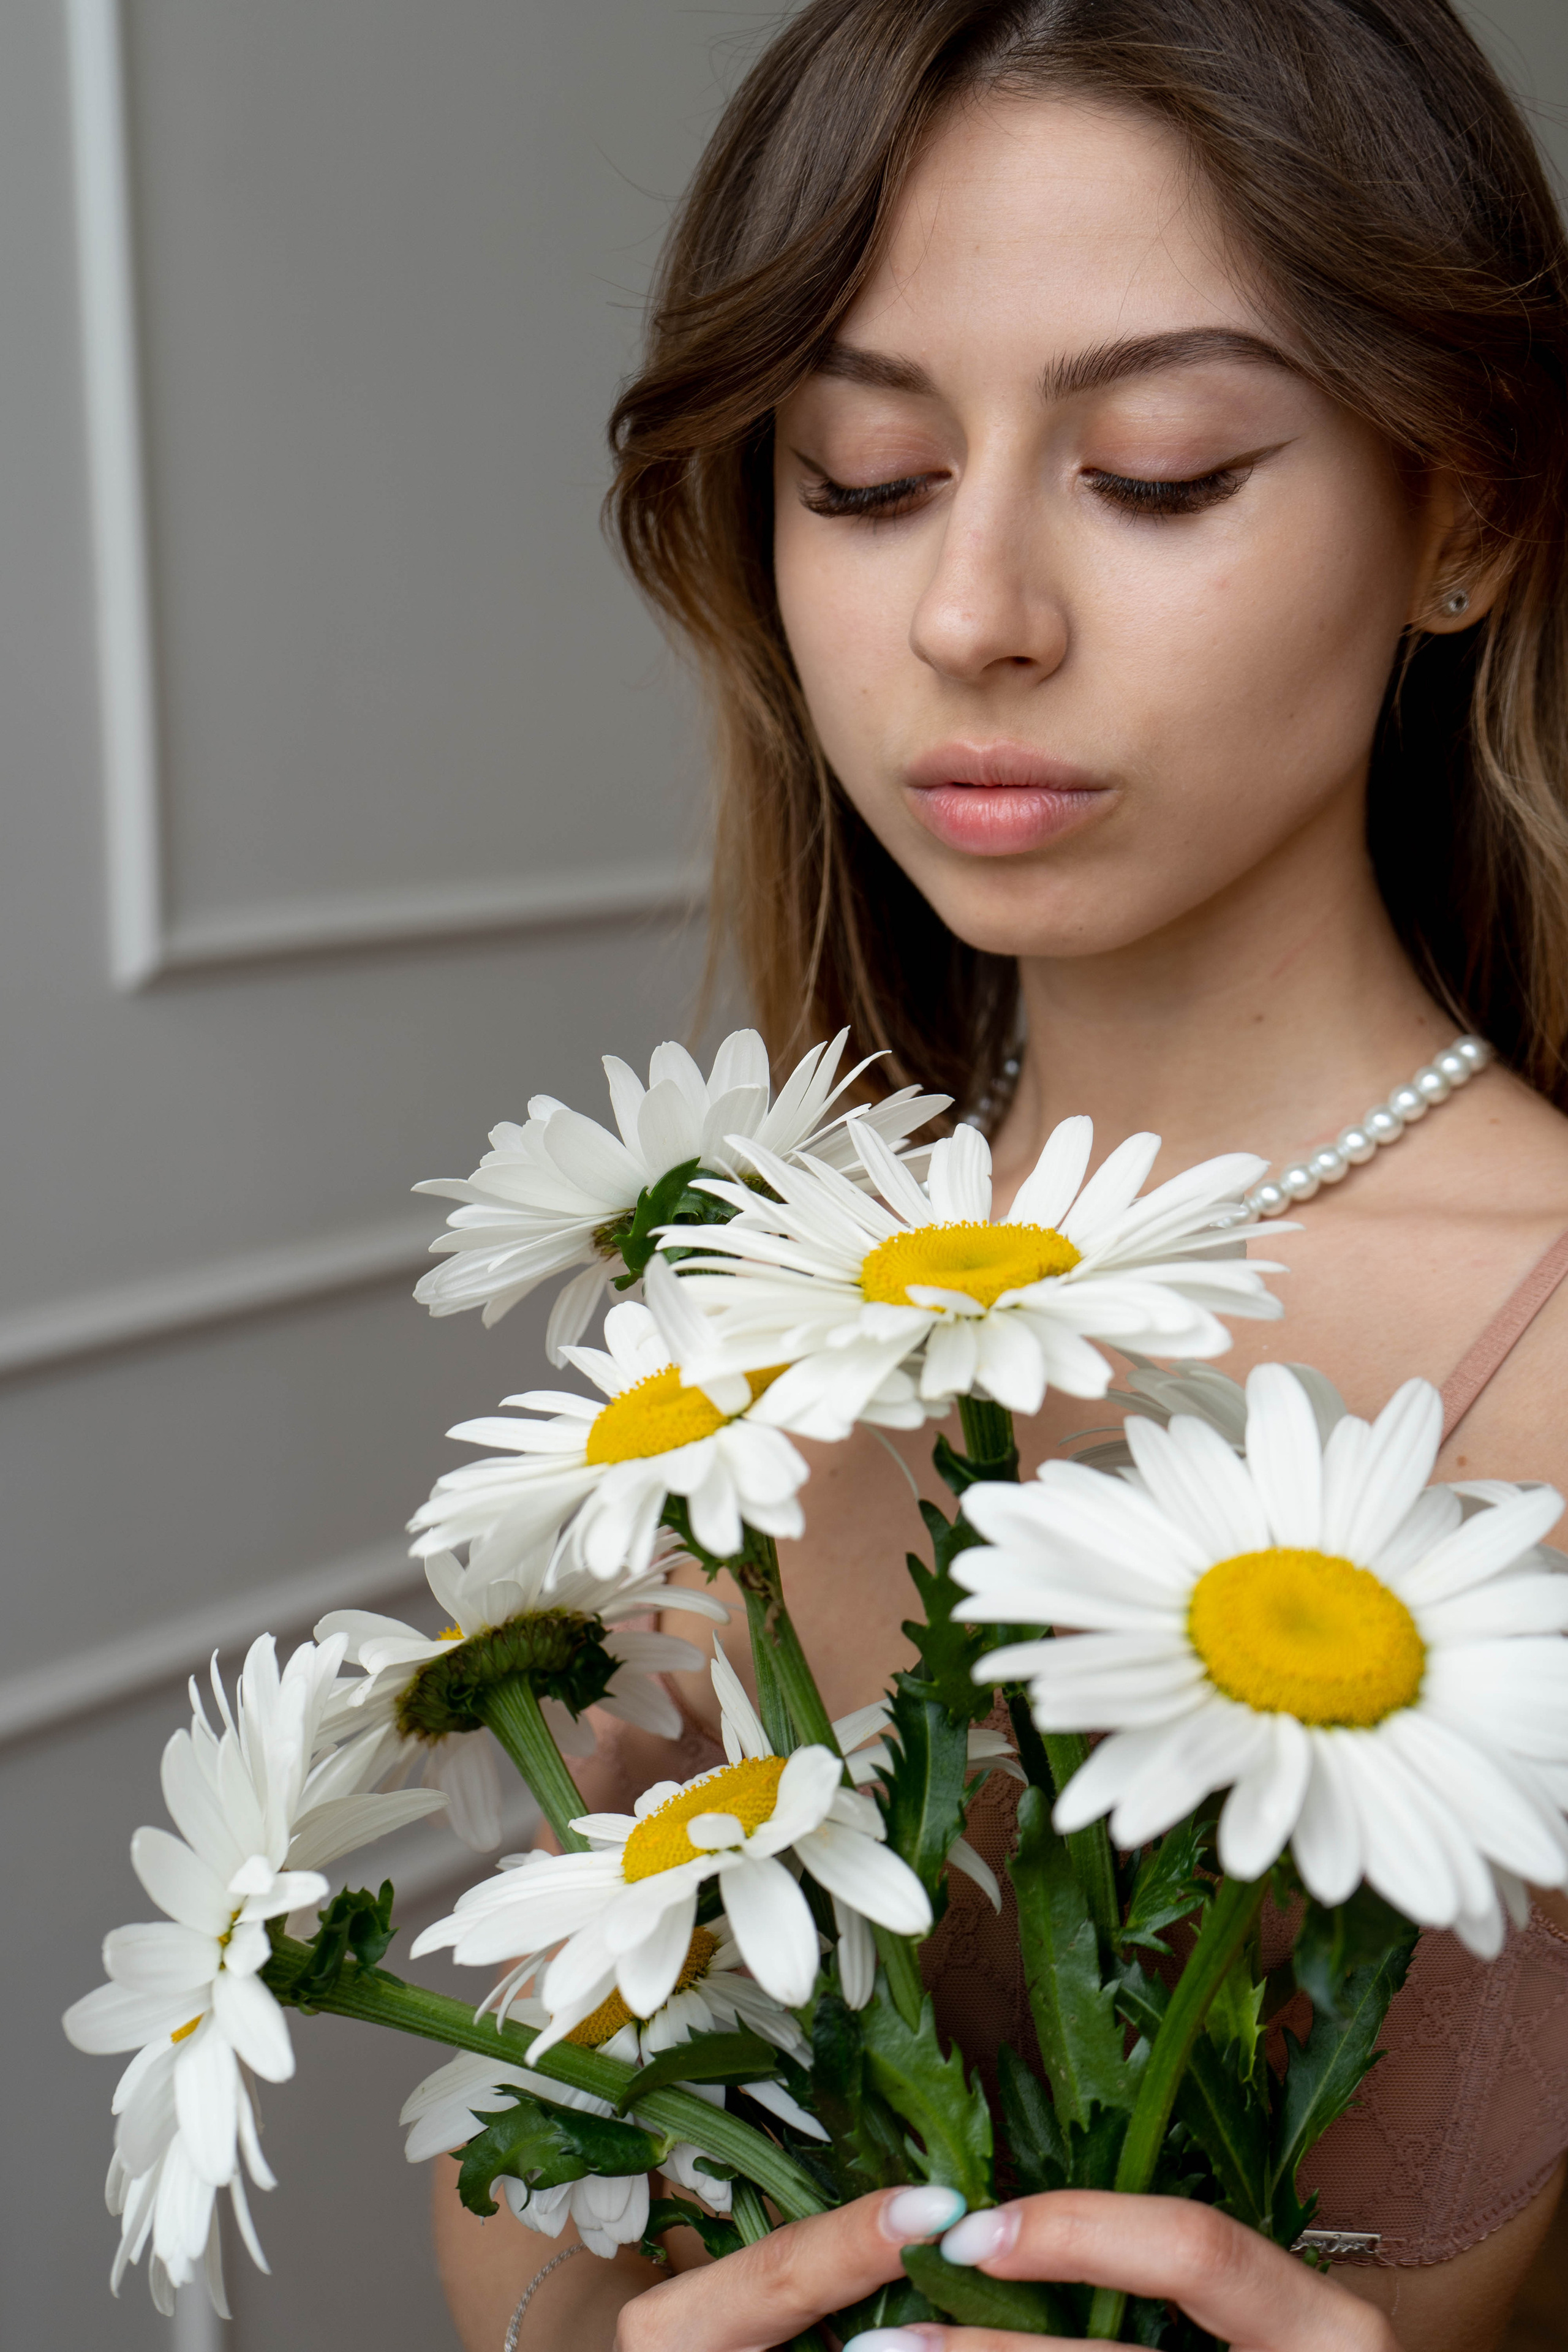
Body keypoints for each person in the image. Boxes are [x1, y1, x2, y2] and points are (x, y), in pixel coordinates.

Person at [435, 3, 1568, 2343]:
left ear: (1458, 508)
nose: (972, 619)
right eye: (860, 477)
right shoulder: (719, 1340)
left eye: (1157, 471)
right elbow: (522, 2248)